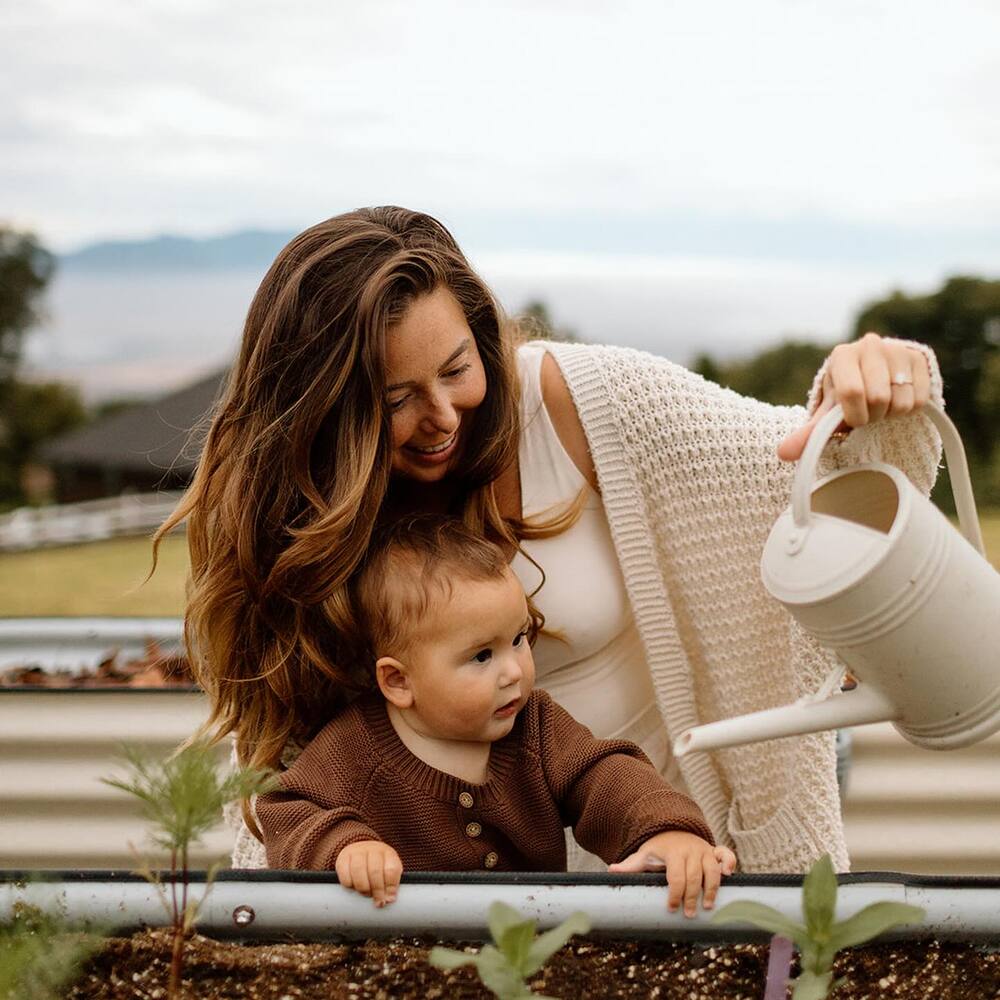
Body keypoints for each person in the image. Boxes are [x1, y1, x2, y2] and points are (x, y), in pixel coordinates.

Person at [158, 206, 943, 874]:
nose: (443, 416)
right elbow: (288, 779)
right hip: (439, 938)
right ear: (326, 414)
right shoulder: (300, 524)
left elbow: (805, 468)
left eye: (458, 367)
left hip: (674, 884)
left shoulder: (587, 401)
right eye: (395, 400)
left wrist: (869, 386)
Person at [256, 515, 738, 912]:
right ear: (399, 682)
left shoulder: (535, 726)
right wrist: (344, 845)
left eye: (518, 639)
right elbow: (288, 810)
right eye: (481, 656)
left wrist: (667, 828)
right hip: (405, 955)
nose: (514, 671)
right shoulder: (356, 748)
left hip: (530, 946)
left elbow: (604, 776)